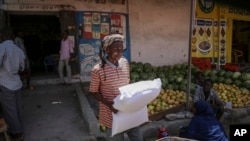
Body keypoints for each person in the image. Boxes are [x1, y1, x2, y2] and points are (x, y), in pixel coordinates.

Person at [89, 34, 144, 141]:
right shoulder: (98, 69)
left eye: (121, 49)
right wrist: (109, 104)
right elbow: (93, 92)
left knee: (138, 138)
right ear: (107, 49)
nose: (120, 52)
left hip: (129, 111)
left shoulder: (124, 62)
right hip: (112, 115)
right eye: (116, 49)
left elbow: (127, 83)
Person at [0, 26, 26, 141]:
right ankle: (20, 130)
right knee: (17, 109)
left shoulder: (2, 47)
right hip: (17, 83)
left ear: (4, 35)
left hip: (5, 84)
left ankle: (17, 134)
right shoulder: (18, 50)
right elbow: (22, 68)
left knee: (10, 111)